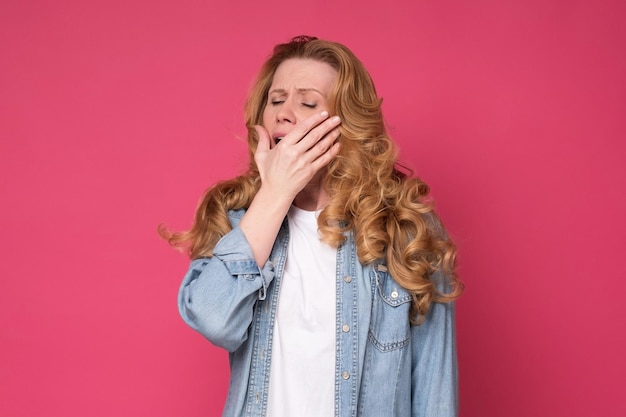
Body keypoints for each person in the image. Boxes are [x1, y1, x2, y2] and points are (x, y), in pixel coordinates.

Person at [162, 35, 463, 417]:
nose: (284, 113)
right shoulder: (236, 216)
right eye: (276, 100)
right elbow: (212, 320)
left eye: (307, 103)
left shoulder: (406, 229)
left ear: (347, 124)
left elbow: (435, 394)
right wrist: (274, 194)